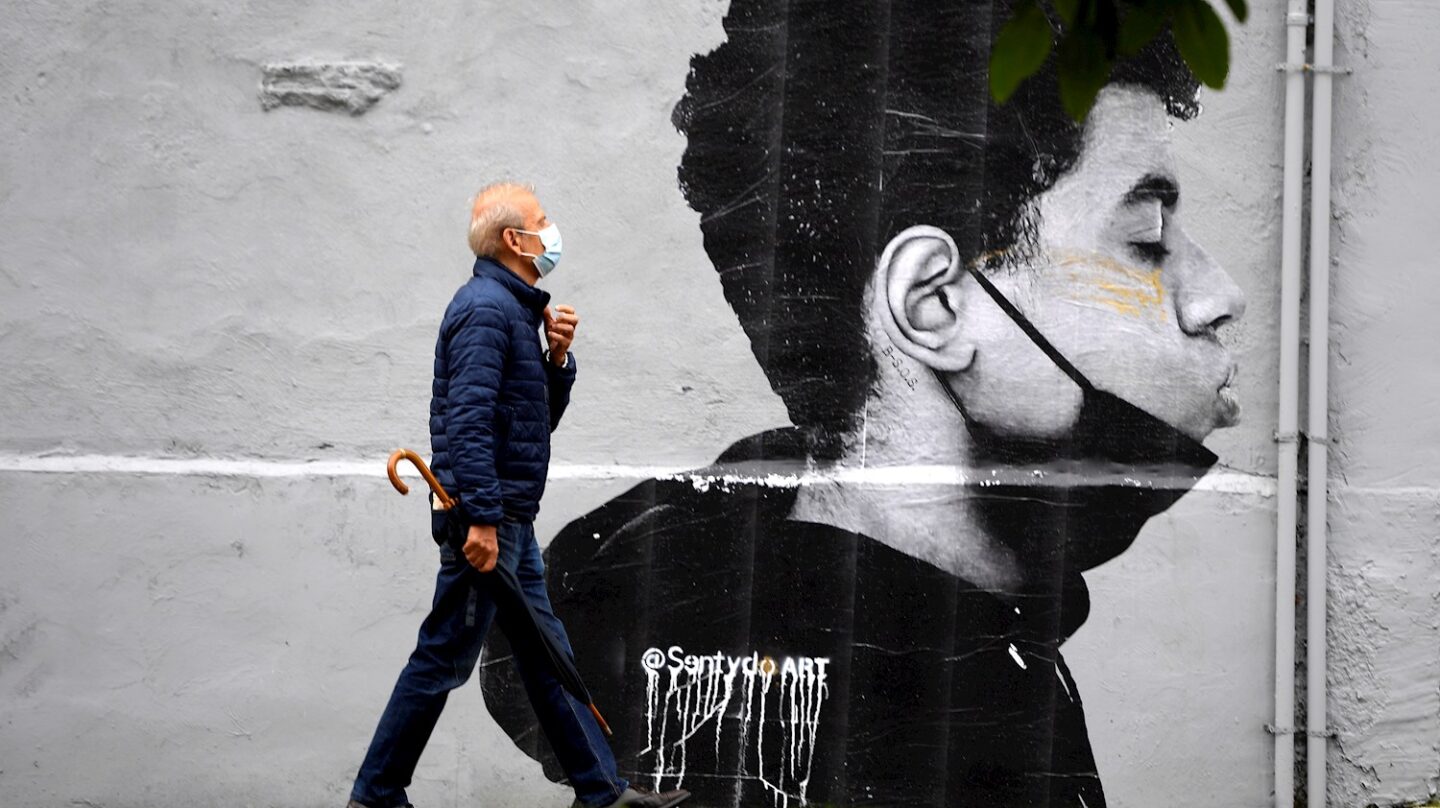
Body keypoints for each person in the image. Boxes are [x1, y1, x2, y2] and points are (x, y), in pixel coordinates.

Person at [482, 3, 1247, 807]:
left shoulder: (713, 606)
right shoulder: (923, 696)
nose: (1218, 297)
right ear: (931, 305)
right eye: (1148, 241)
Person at [347, 182, 691, 808]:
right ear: (514, 239)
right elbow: (468, 422)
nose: (551, 231)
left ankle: (601, 792)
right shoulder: (485, 310)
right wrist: (480, 521)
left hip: (508, 520)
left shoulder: (512, 311)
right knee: (443, 658)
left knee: (544, 653)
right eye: (542, 221)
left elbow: (529, 425)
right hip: (488, 521)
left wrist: (557, 359)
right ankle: (374, 796)